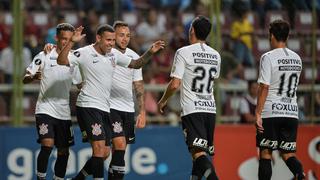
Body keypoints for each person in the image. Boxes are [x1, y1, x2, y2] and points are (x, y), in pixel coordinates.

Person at [57, 24, 164, 179]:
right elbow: (61, 61)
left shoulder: (113, 54)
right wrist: (72, 42)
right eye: (108, 40)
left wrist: (150, 52)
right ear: (98, 38)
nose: (111, 43)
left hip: (104, 109)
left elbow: (136, 64)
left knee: (105, 152)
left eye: (113, 40)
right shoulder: (83, 53)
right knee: (100, 149)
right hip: (88, 106)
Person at [158, 15, 220, 180]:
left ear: (191, 30)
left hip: (193, 110)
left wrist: (163, 100)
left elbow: (174, 84)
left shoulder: (183, 52)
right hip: (210, 110)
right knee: (197, 155)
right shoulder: (216, 55)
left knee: (198, 153)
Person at [22, 23, 81, 180]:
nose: (66, 42)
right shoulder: (44, 55)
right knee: (47, 145)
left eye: (69, 39)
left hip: (63, 112)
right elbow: (25, 78)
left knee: (64, 151)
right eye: (63, 39)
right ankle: (40, 178)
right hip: (45, 109)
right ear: (56, 38)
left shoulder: (74, 59)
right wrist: (33, 77)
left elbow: (80, 83)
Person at [255, 19, 305, 180]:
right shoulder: (297, 58)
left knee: (265, 153)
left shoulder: (268, 57)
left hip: (271, 112)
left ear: (271, 36)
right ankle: (299, 174)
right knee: (288, 154)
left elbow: (264, 86)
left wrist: (258, 113)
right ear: (288, 36)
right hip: (291, 113)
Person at [107, 21, 146, 180]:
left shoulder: (134, 56)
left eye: (128, 35)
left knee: (116, 152)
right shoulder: (106, 53)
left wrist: (142, 111)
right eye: (121, 35)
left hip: (128, 109)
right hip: (109, 107)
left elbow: (138, 85)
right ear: (113, 36)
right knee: (119, 146)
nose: (125, 39)